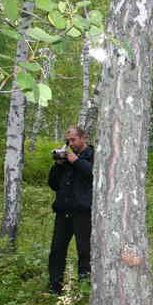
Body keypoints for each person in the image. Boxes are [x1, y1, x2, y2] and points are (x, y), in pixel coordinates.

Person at [47, 125, 94, 295]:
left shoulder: (93, 155)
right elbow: (53, 184)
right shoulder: (65, 158)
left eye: (74, 139)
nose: (70, 143)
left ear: (84, 138)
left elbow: (94, 175)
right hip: (63, 211)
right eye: (68, 140)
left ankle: (85, 287)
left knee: (85, 251)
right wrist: (58, 165)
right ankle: (54, 286)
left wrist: (75, 160)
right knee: (57, 249)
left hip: (83, 212)